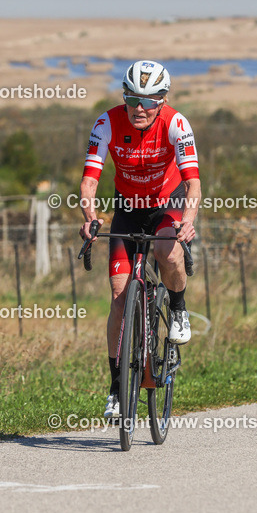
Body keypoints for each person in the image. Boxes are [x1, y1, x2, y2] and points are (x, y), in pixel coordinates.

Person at [78, 60, 200, 419]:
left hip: (168, 202)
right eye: (132, 99)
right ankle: (117, 385)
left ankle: (177, 308)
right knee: (118, 296)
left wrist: (188, 221)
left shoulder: (176, 123)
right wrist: (90, 217)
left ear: (163, 100)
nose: (139, 108)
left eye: (149, 100)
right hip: (128, 206)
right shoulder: (107, 123)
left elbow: (193, 182)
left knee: (167, 250)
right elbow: (89, 181)